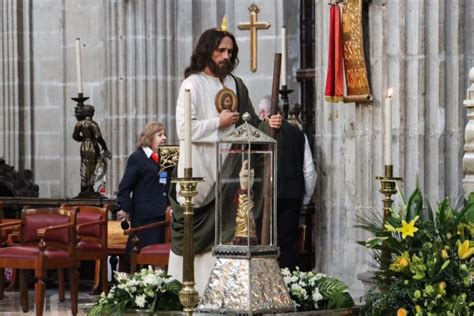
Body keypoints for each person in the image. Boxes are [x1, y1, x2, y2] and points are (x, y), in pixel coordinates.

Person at [169, 27, 282, 294]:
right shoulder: (191, 84)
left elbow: (251, 125)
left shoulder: (235, 85)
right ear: (207, 51)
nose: (225, 56)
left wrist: (270, 125)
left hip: (231, 174)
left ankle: (223, 294)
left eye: (230, 51)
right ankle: (190, 293)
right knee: (197, 230)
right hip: (199, 171)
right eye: (220, 50)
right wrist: (217, 123)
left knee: (228, 231)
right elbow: (184, 129)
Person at [258, 95, 317, 271]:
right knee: (288, 244)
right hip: (291, 197)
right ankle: (290, 284)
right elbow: (309, 171)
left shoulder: (259, 132)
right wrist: (305, 199)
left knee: (264, 242)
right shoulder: (298, 134)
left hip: (264, 197)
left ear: (264, 112)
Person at [116, 122, 170, 256]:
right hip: (145, 217)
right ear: (149, 138)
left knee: (161, 258)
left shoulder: (167, 158)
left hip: (164, 216)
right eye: (160, 135)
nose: (164, 138)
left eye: (164, 134)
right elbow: (125, 187)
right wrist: (125, 208)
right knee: (145, 256)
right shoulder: (138, 158)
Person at [72, 104, 111, 197]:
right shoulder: (93, 124)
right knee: (92, 165)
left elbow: (75, 136)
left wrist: (83, 139)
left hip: (84, 146)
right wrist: (105, 147)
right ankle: (89, 186)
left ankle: (85, 185)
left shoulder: (79, 124)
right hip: (92, 146)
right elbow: (98, 136)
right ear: (91, 113)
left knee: (84, 164)